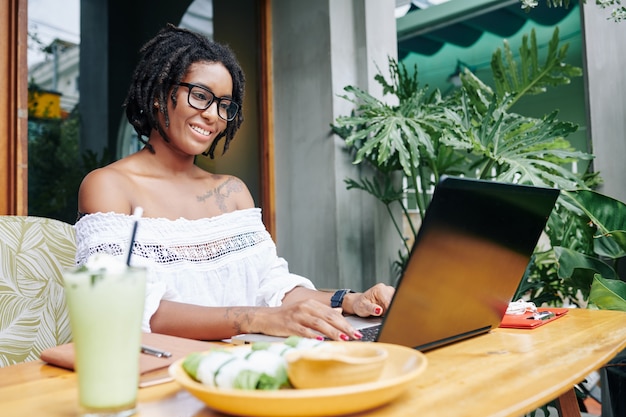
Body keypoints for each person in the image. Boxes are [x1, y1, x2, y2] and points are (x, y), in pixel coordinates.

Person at [74, 24, 394, 342]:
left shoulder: (232, 192)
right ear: (159, 94)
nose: (214, 115)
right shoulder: (110, 186)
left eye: (224, 105)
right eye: (200, 96)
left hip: (241, 368)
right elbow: (122, 306)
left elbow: (272, 288)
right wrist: (255, 319)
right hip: (160, 371)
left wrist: (351, 300)